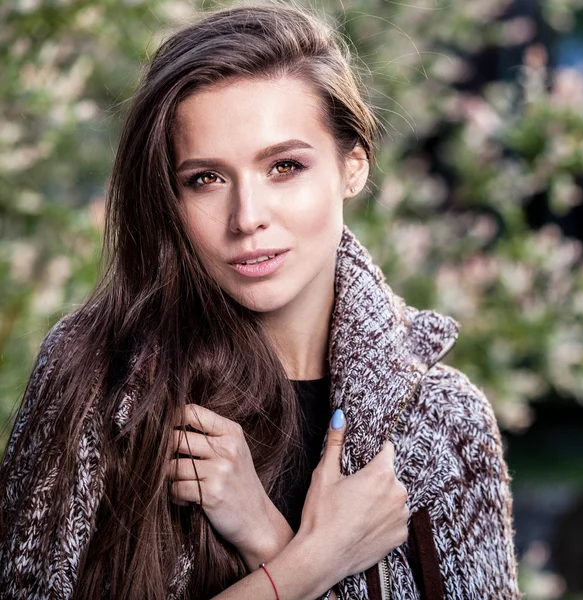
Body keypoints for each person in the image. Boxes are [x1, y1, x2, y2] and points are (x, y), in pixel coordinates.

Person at [0, 3, 521, 599]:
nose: (247, 218)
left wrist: (267, 537)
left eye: (284, 167)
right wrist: (317, 559)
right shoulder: (99, 375)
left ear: (353, 167)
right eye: (206, 179)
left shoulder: (447, 423)